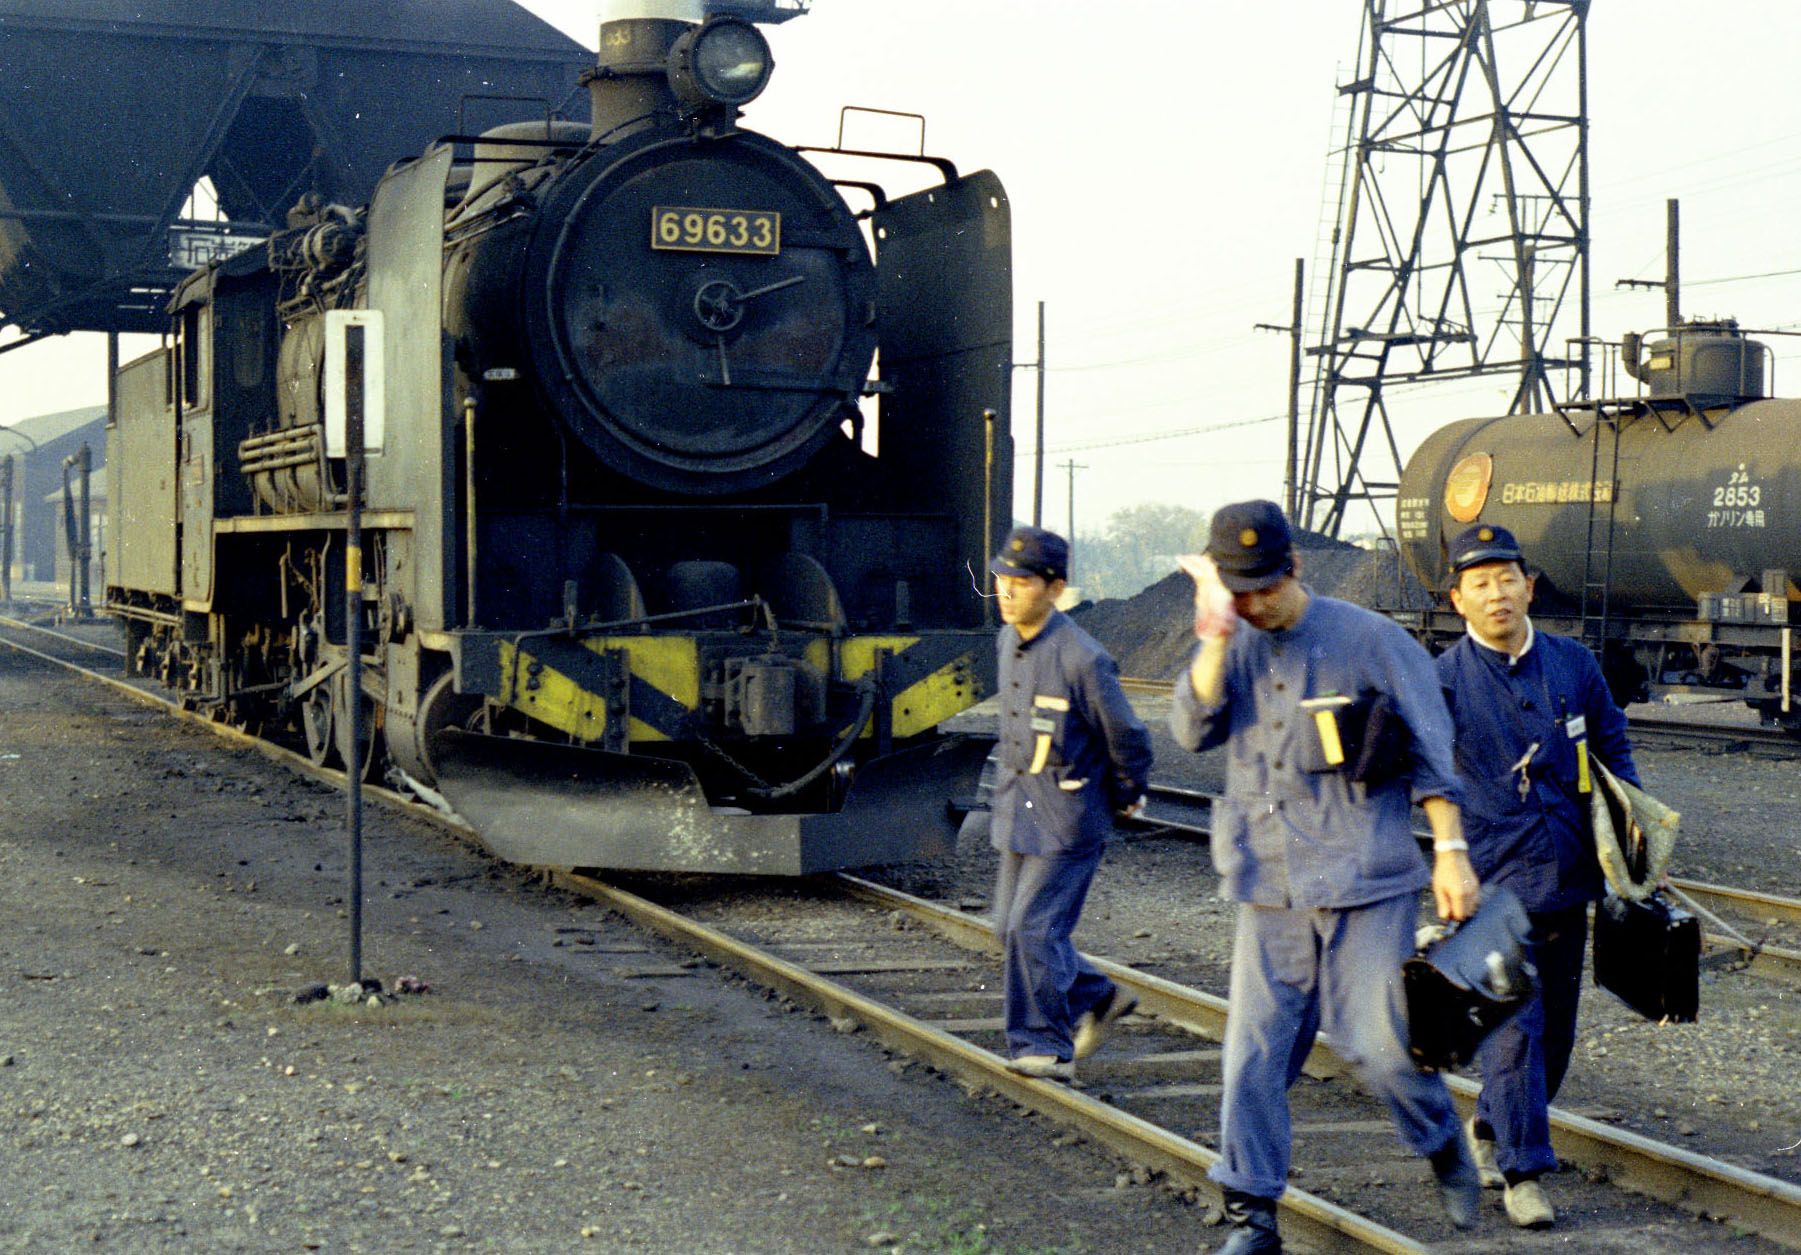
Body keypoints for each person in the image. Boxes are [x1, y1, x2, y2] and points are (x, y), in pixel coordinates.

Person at [1170, 499, 1482, 1253]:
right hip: (1266, 877)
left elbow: (1433, 748)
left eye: (1265, 587)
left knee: (1375, 1044)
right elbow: (1190, 728)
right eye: (1238, 590)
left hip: (1360, 875)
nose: (1254, 603)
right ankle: (1252, 1213)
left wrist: (1449, 851)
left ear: (1295, 567)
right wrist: (1212, 635)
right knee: (1252, 1050)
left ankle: (1441, 1137)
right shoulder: (1232, 638)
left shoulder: (1371, 640)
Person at [1435, 523, 1639, 1230]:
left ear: (1528, 584)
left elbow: (1611, 747)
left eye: (1506, 578)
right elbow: (1422, 778)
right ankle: (1524, 1173)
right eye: (1479, 583)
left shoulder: (1572, 663)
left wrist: (1634, 836)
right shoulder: (1442, 680)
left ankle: (1488, 1130)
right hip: (1488, 881)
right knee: (1514, 1031)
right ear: (1457, 599)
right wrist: (1442, 856)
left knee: (1555, 1036)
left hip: (1569, 873)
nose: (1496, 594)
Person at [987, 524, 1153, 1082]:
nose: (1006, 592)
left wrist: (1124, 797)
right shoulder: (1007, 641)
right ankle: (1101, 998)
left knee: (1034, 930)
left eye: (1022, 582)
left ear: (1055, 589)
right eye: (1001, 580)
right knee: (1006, 929)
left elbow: (1127, 737)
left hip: (1069, 815)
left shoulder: (1084, 658)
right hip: (1018, 806)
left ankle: (1046, 1048)